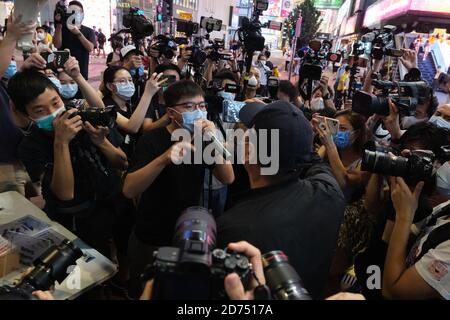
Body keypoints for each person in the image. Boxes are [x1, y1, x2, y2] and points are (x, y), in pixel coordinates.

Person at [217, 101, 346, 299]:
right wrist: (294, 132)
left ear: (247, 152)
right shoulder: (330, 193)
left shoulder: (234, 229)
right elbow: (314, 161)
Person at [123, 80, 234, 298]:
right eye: (190, 107)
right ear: (172, 113)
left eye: (202, 106)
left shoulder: (204, 139)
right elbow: (129, 190)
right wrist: (164, 159)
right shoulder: (152, 140)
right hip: (151, 234)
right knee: (145, 291)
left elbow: (227, 177)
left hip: (187, 233)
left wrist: (212, 139)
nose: (199, 112)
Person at [8, 67, 127, 258]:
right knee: (91, 266)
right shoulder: (30, 147)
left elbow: (122, 163)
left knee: (124, 251)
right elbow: (64, 194)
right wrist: (61, 142)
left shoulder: (84, 116)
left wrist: (102, 142)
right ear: (26, 115)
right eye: (40, 110)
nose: (54, 113)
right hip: (76, 220)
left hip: (114, 203)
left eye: (55, 102)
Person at [101, 66, 166, 158]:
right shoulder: (106, 106)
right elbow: (132, 127)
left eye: (130, 80)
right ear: (110, 86)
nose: (129, 84)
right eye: (122, 81)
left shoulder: (129, 105)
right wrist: (148, 93)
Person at [53, 1, 95, 80]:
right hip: (63, 73)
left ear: (82, 14)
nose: (73, 15)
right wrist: (58, 25)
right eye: (71, 12)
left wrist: (78, 33)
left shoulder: (89, 31)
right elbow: (57, 45)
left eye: (76, 12)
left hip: (81, 72)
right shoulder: (61, 29)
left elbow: (90, 48)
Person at [142, 63, 181, 133]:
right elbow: (146, 129)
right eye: (168, 80)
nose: (173, 85)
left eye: (176, 82)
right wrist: (170, 115)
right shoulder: (149, 101)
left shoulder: (183, 101)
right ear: (157, 81)